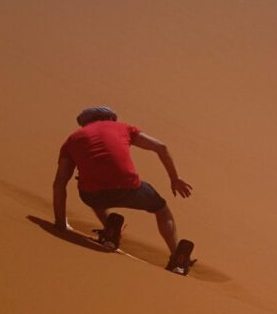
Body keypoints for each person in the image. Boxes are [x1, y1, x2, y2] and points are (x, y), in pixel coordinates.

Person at [53, 106, 192, 259]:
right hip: (128, 188)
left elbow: (60, 183)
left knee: (89, 189)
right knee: (161, 208)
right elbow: (161, 147)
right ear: (111, 118)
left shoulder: (72, 140)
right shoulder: (122, 128)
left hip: (91, 195)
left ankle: (110, 231)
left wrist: (60, 223)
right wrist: (174, 178)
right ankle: (176, 258)